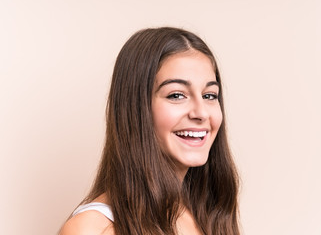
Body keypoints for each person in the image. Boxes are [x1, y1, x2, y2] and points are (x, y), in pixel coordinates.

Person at [59, 27, 240, 235]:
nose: (201, 113)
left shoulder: (208, 215)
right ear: (136, 109)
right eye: (176, 95)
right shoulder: (92, 229)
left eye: (209, 95)